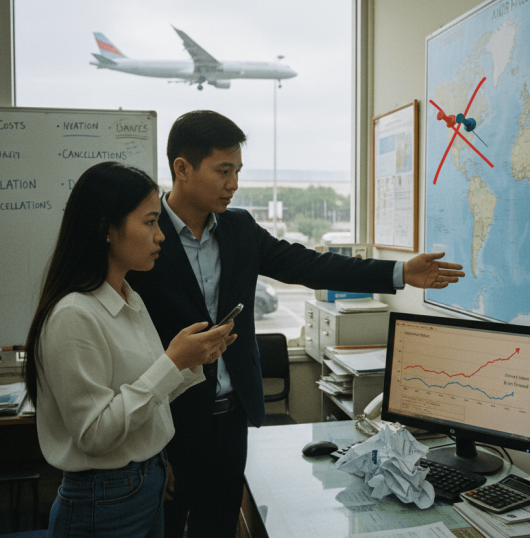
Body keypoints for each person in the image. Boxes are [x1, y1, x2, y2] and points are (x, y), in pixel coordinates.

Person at [126, 110, 465, 538]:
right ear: (182, 169)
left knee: (218, 529)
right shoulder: (144, 234)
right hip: (168, 426)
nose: (234, 183)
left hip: (231, 421)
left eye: (238, 171)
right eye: (223, 171)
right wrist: (146, 446)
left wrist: (399, 272)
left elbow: (309, 264)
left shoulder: (239, 229)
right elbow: (126, 342)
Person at [24, 162, 237, 538]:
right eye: (150, 222)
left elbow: (144, 395)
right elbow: (95, 433)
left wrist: (192, 361)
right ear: (107, 228)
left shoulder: (127, 296)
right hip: (103, 498)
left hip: (144, 480)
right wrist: (172, 361)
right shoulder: (74, 315)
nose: (161, 237)